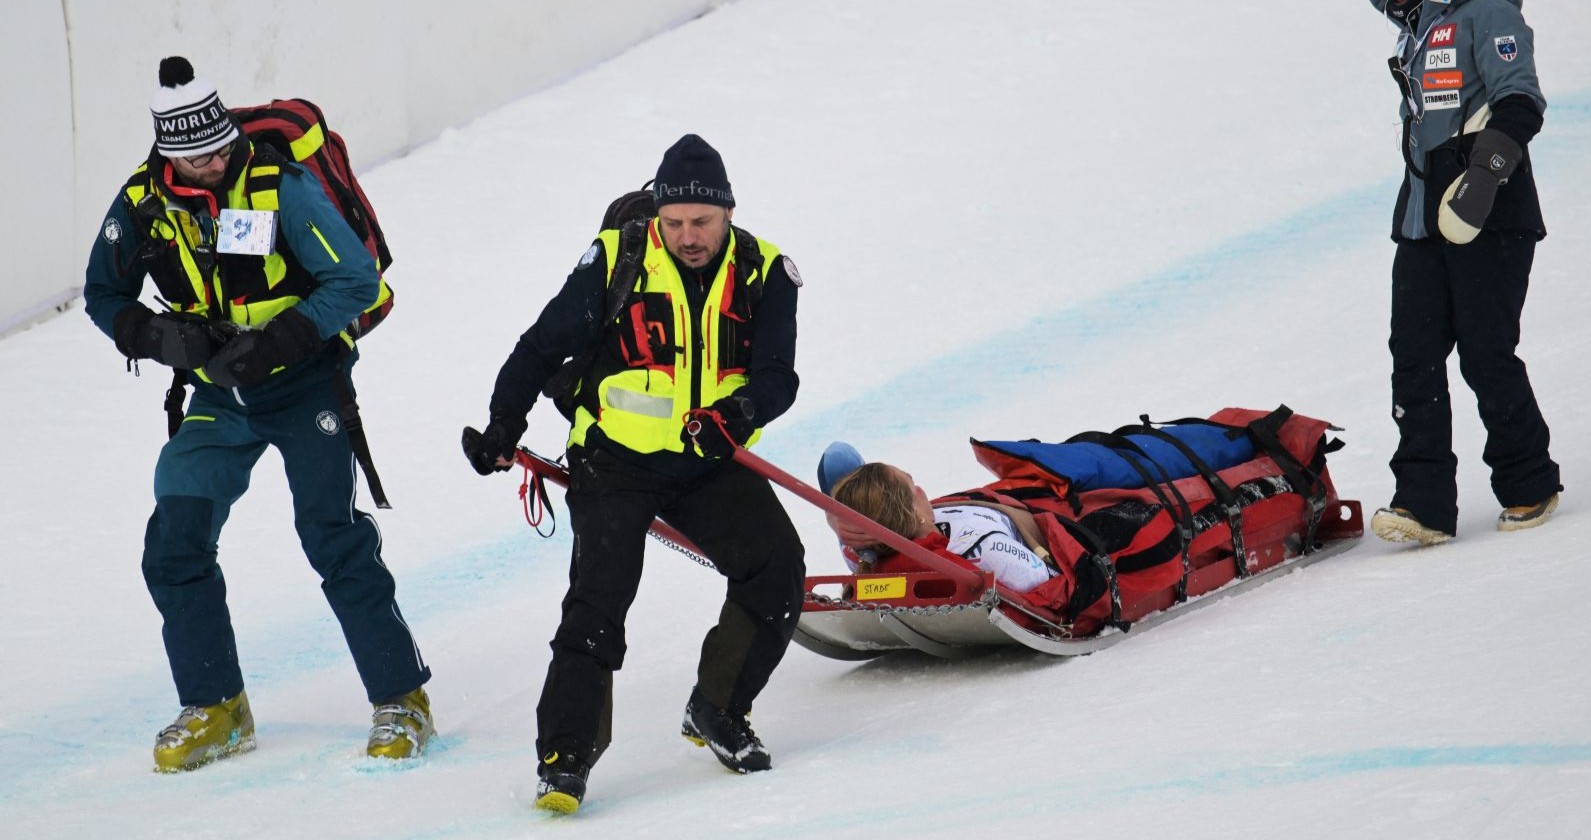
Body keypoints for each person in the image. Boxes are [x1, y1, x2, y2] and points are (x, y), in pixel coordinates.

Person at [83, 57, 432, 772]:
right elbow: (102, 293)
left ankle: (403, 698)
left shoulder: (281, 186)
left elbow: (356, 280)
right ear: (170, 156)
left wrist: (283, 340)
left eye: (221, 147)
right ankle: (216, 707)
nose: (216, 162)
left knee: (332, 537)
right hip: (218, 398)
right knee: (174, 544)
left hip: (305, 387)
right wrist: (155, 336)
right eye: (199, 157)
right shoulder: (141, 201)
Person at [462, 134, 806, 814]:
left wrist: (737, 413)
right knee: (599, 601)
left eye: (701, 222)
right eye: (673, 222)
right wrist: (504, 424)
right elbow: (540, 347)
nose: (687, 236)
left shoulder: (764, 271)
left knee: (777, 567)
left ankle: (719, 707)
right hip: (613, 461)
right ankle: (565, 759)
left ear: (728, 213)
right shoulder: (619, 257)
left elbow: (777, 376)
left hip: (708, 459)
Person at [1366, 0, 1562, 546]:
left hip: (1489, 213)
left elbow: (1521, 101)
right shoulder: (1417, 29)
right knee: (1414, 356)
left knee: (1485, 352)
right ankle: (1423, 503)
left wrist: (1484, 176)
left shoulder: (1487, 11)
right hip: (1422, 217)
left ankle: (1529, 481)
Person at [822, 444, 1057, 592]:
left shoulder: (858, 548)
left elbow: (836, 457)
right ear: (914, 511)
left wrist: (837, 519)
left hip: (991, 500)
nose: (921, 490)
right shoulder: (987, 549)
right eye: (913, 486)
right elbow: (1052, 587)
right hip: (1036, 504)